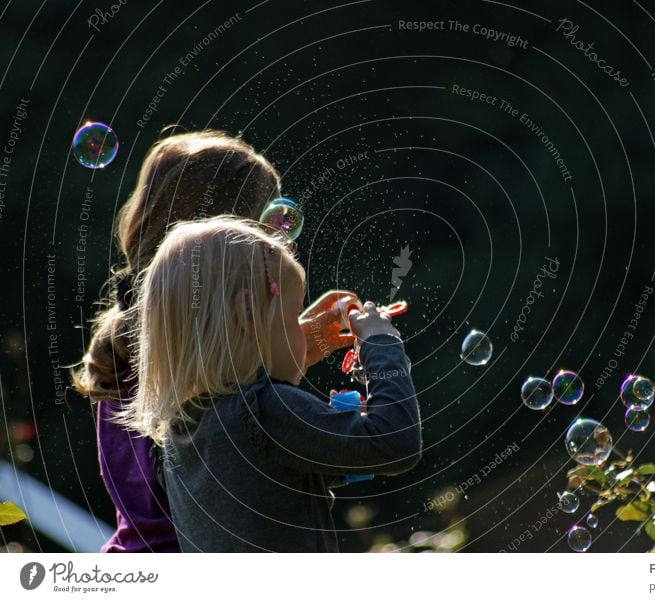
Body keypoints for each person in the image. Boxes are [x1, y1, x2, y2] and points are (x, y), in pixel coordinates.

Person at [70, 131, 358, 551]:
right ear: (214, 243)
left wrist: (303, 339)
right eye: (263, 229)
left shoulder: (136, 338)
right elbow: (245, 449)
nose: (277, 244)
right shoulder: (189, 361)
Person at [121, 216, 422, 552]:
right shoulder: (265, 411)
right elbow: (395, 443)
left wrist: (342, 419)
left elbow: (280, 484)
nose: (301, 324)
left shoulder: (184, 433)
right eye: (294, 314)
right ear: (247, 311)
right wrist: (381, 345)